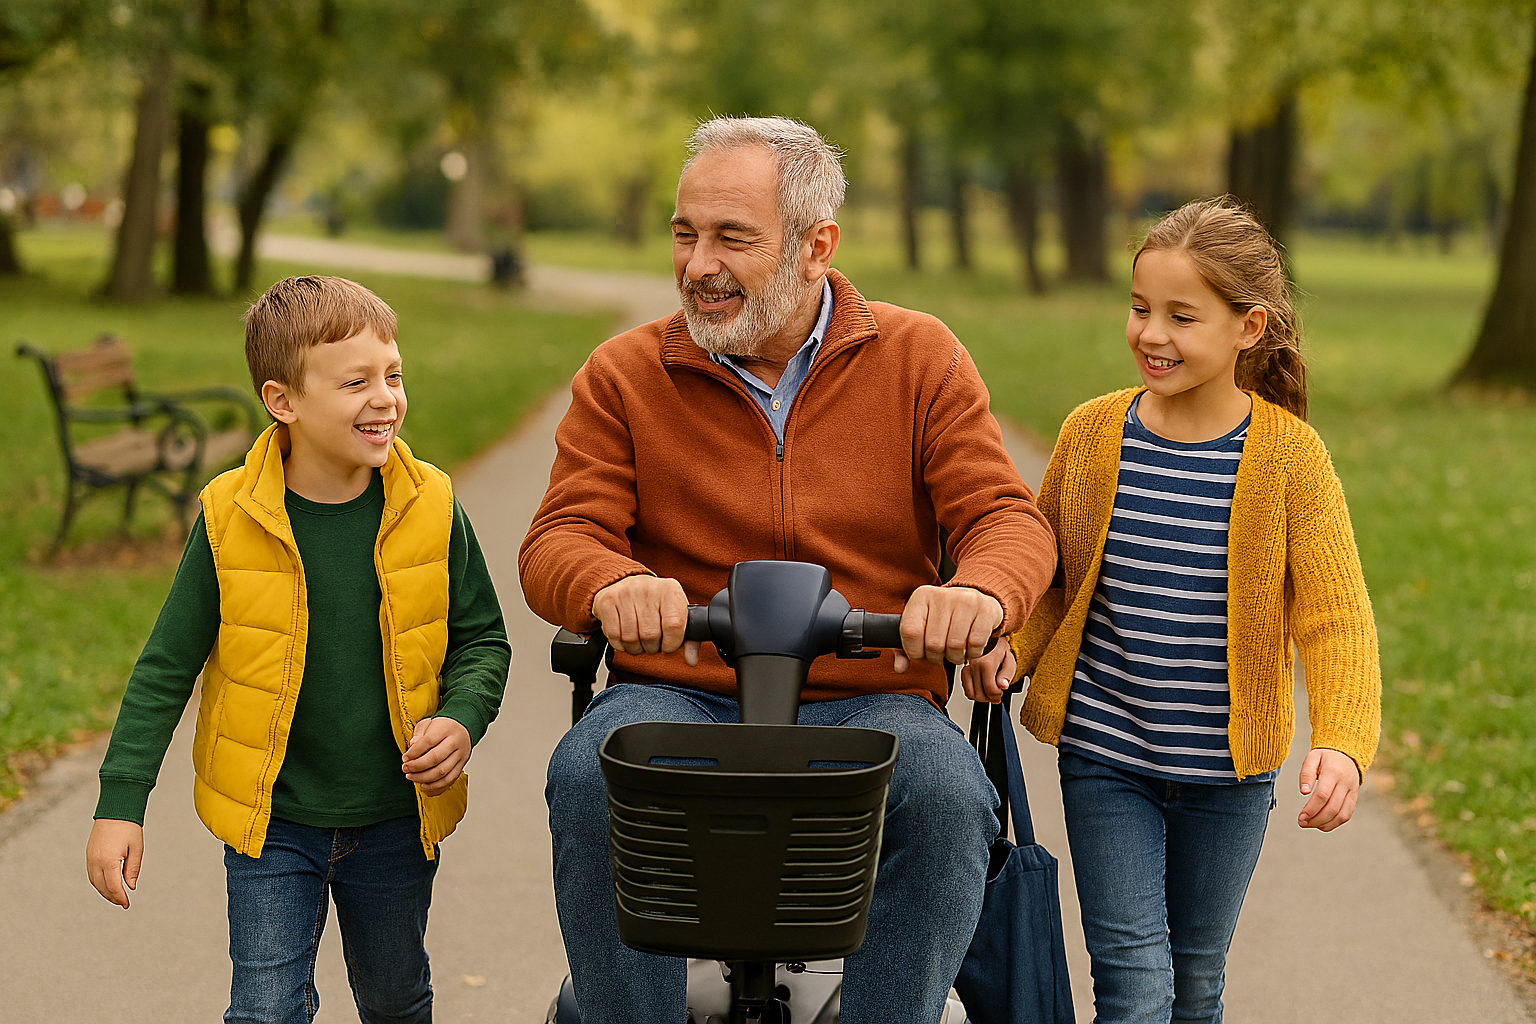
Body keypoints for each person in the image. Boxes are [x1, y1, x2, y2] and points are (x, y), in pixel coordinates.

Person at [519, 115, 1058, 1023]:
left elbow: (1005, 518)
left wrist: (976, 592)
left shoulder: (918, 358)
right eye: (686, 234)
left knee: (947, 795)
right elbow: (559, 536)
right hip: (679, 691)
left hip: (872, 692)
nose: (698, 265)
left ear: (817, 247)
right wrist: (610, 584)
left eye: (733, 238)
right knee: (588, 773)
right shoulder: (625, 373)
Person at [963, 197, 1382, 1024]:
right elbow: (1053, 578)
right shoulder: (1092, 436)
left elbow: (1335, 618)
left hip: (1229, 778)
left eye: (1181, 317)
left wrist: (1343, 743)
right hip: (1106, 755)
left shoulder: (1291, 459)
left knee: (1195, 979)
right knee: (1132, 980)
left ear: (1248, 327)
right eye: (1140, 308)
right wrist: (1010, 643)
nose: (1152, 333)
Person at [84, 275, 512, 1024]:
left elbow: (483, 639)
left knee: (394, 998)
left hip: (393, 818)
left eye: (393, 374)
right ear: (283, 401)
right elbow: (165, 667)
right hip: (271, 821)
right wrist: (121, 804)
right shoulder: (229, 518)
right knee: (264, 1009)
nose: (385, 398)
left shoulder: (433, 505)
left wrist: (462, 719)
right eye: (356, 382)